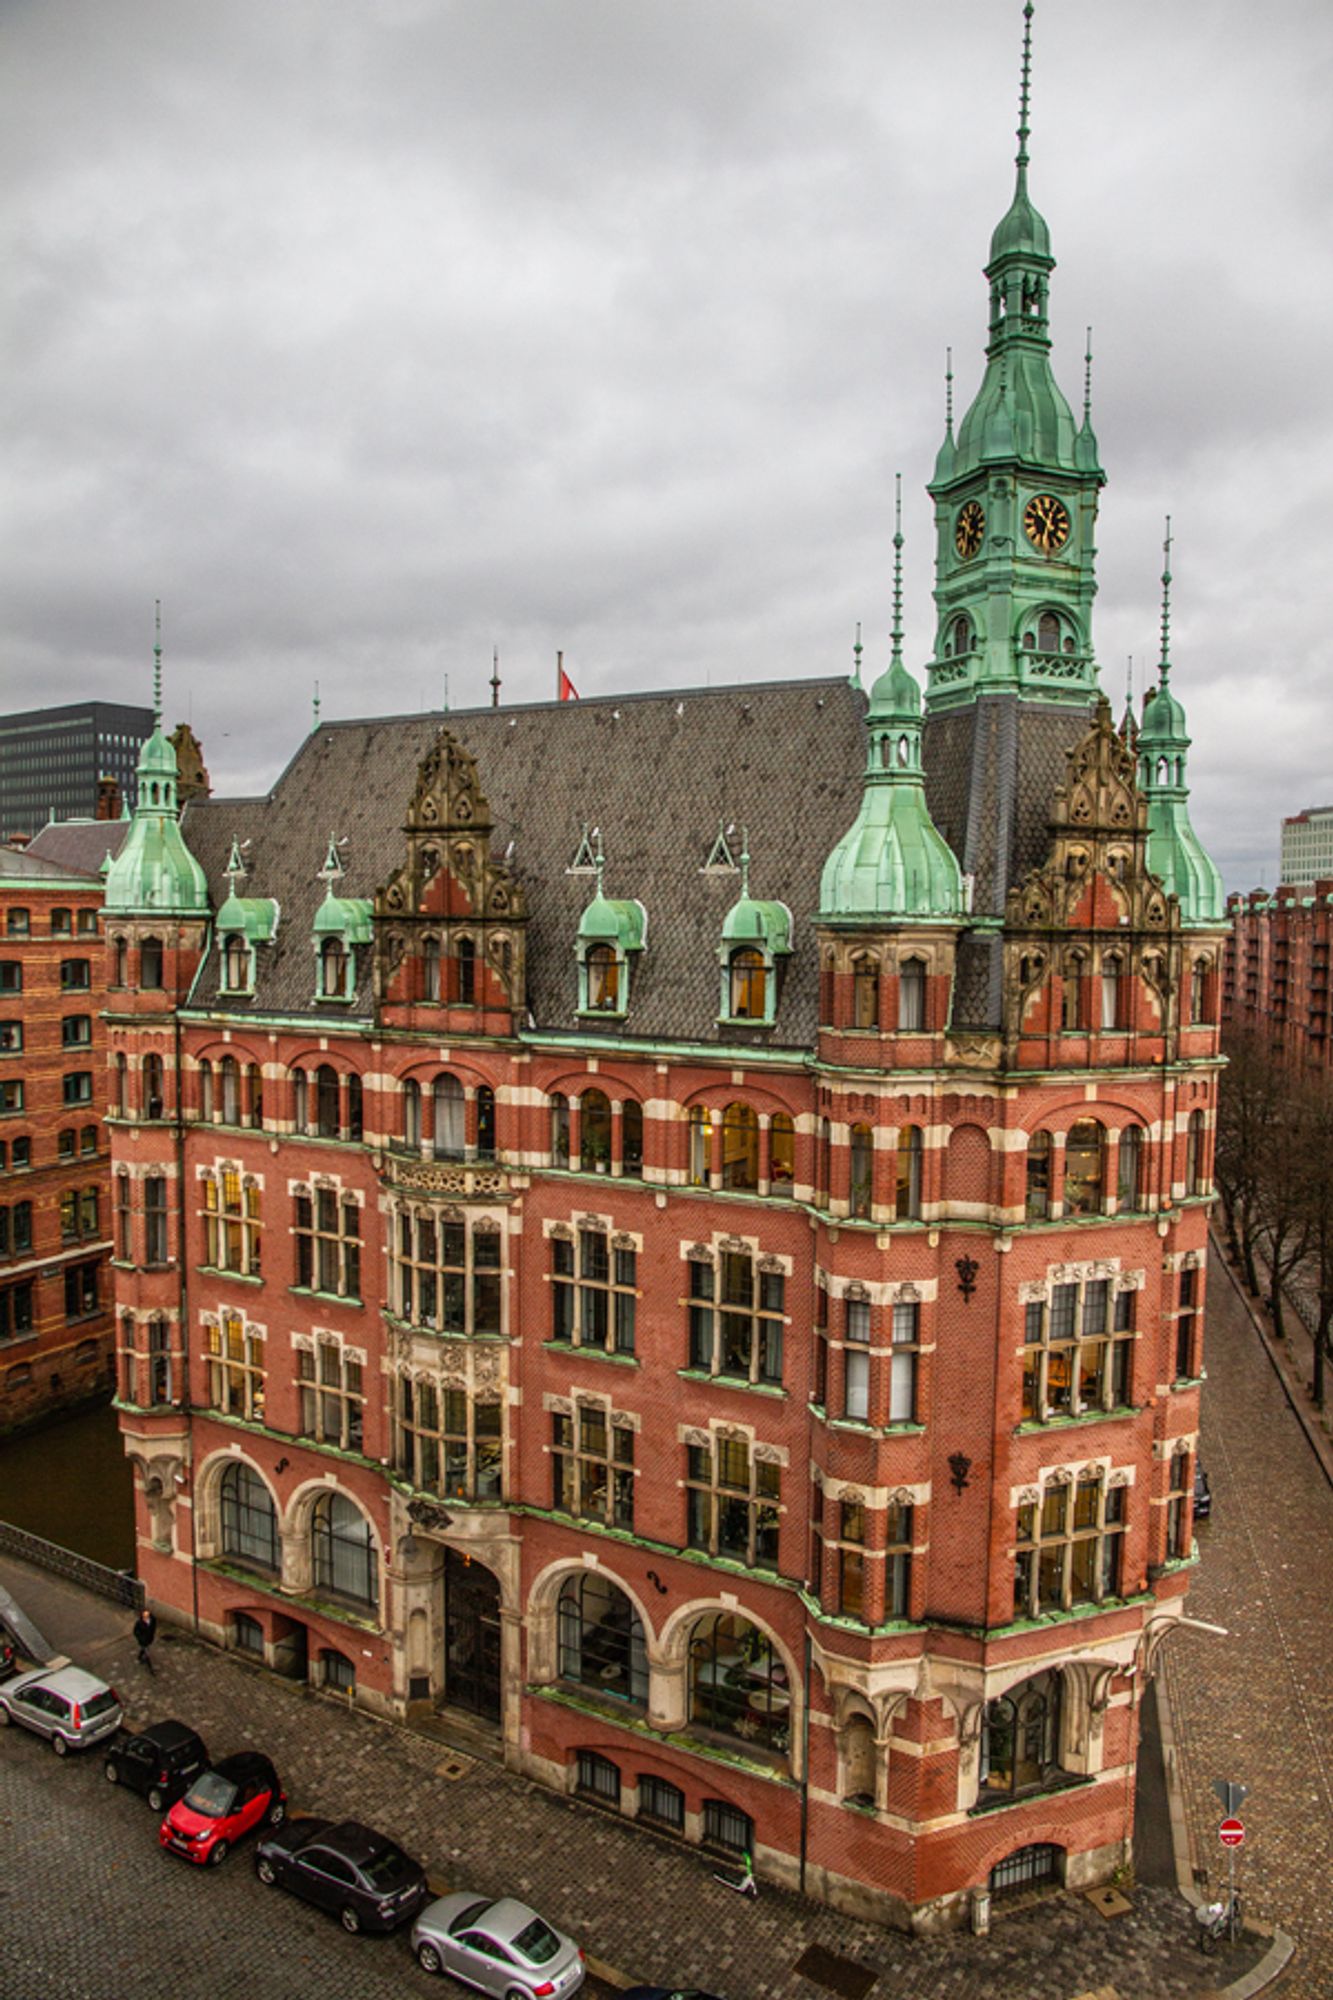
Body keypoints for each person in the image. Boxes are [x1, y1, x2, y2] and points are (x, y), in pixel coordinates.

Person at [133, 1606, 158, 1674]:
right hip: (143, 1641)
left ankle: (139, 1657)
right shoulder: (139, 1623)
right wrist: (141, 1638)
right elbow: (135, 1632)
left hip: (149, 1639)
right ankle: (151, 1669)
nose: (146, 1617)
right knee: (147, 1654)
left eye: (147, 1615)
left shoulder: (152, 1620)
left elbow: (153, 1627)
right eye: (144, 1616)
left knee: (143, 1649)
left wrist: (152, 1635)